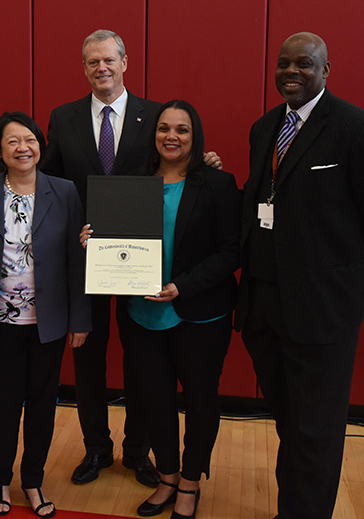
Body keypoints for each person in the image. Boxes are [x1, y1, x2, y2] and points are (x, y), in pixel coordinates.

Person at [235, 32, 364, 519]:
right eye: (284, 64)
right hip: (266, 308)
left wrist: (346, 266)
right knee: (292, 424)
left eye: (305, 64)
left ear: (326, 71)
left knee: (315, 430)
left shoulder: (358, 129)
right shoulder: (264, 128)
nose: (292, 72)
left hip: (323, 309)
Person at [82, 100, 240, 519]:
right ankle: (168, 476)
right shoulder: (133, 185)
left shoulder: (219, 184)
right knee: (154, 400)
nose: (172, 136)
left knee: (201, 401)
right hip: (140, 315)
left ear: (195, 135)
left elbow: (231, 252)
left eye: (182, 130)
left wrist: (180, 287)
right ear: (153, 134)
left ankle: (190, 483)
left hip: (199, 315)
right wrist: (94, 241)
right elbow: (113, 245)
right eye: (164, 128)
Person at [41, 29, 161, 487]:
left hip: (139, 258)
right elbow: (50, 181)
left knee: (142, 358)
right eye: (92, 62)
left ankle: (138, 451)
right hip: (86, 256)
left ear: (125, 62)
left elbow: (172, 164)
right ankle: (96, 449)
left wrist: (203, 162)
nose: (102, 68)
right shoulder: (64, 117)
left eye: (109, 60)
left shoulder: (154, 115)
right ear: (84, 68)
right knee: (88, 360)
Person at [0, 112, 91, 518]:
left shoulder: (64, 191)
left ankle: (33, 480)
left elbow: (77, 260)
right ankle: (0, 478)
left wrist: (80, 318)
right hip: (1, 320)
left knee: (42, 404)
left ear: (41, 145)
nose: (23, 147)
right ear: (0, 150)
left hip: (50, 321)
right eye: (12, 141)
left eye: (30, 139)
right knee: (3, 405)